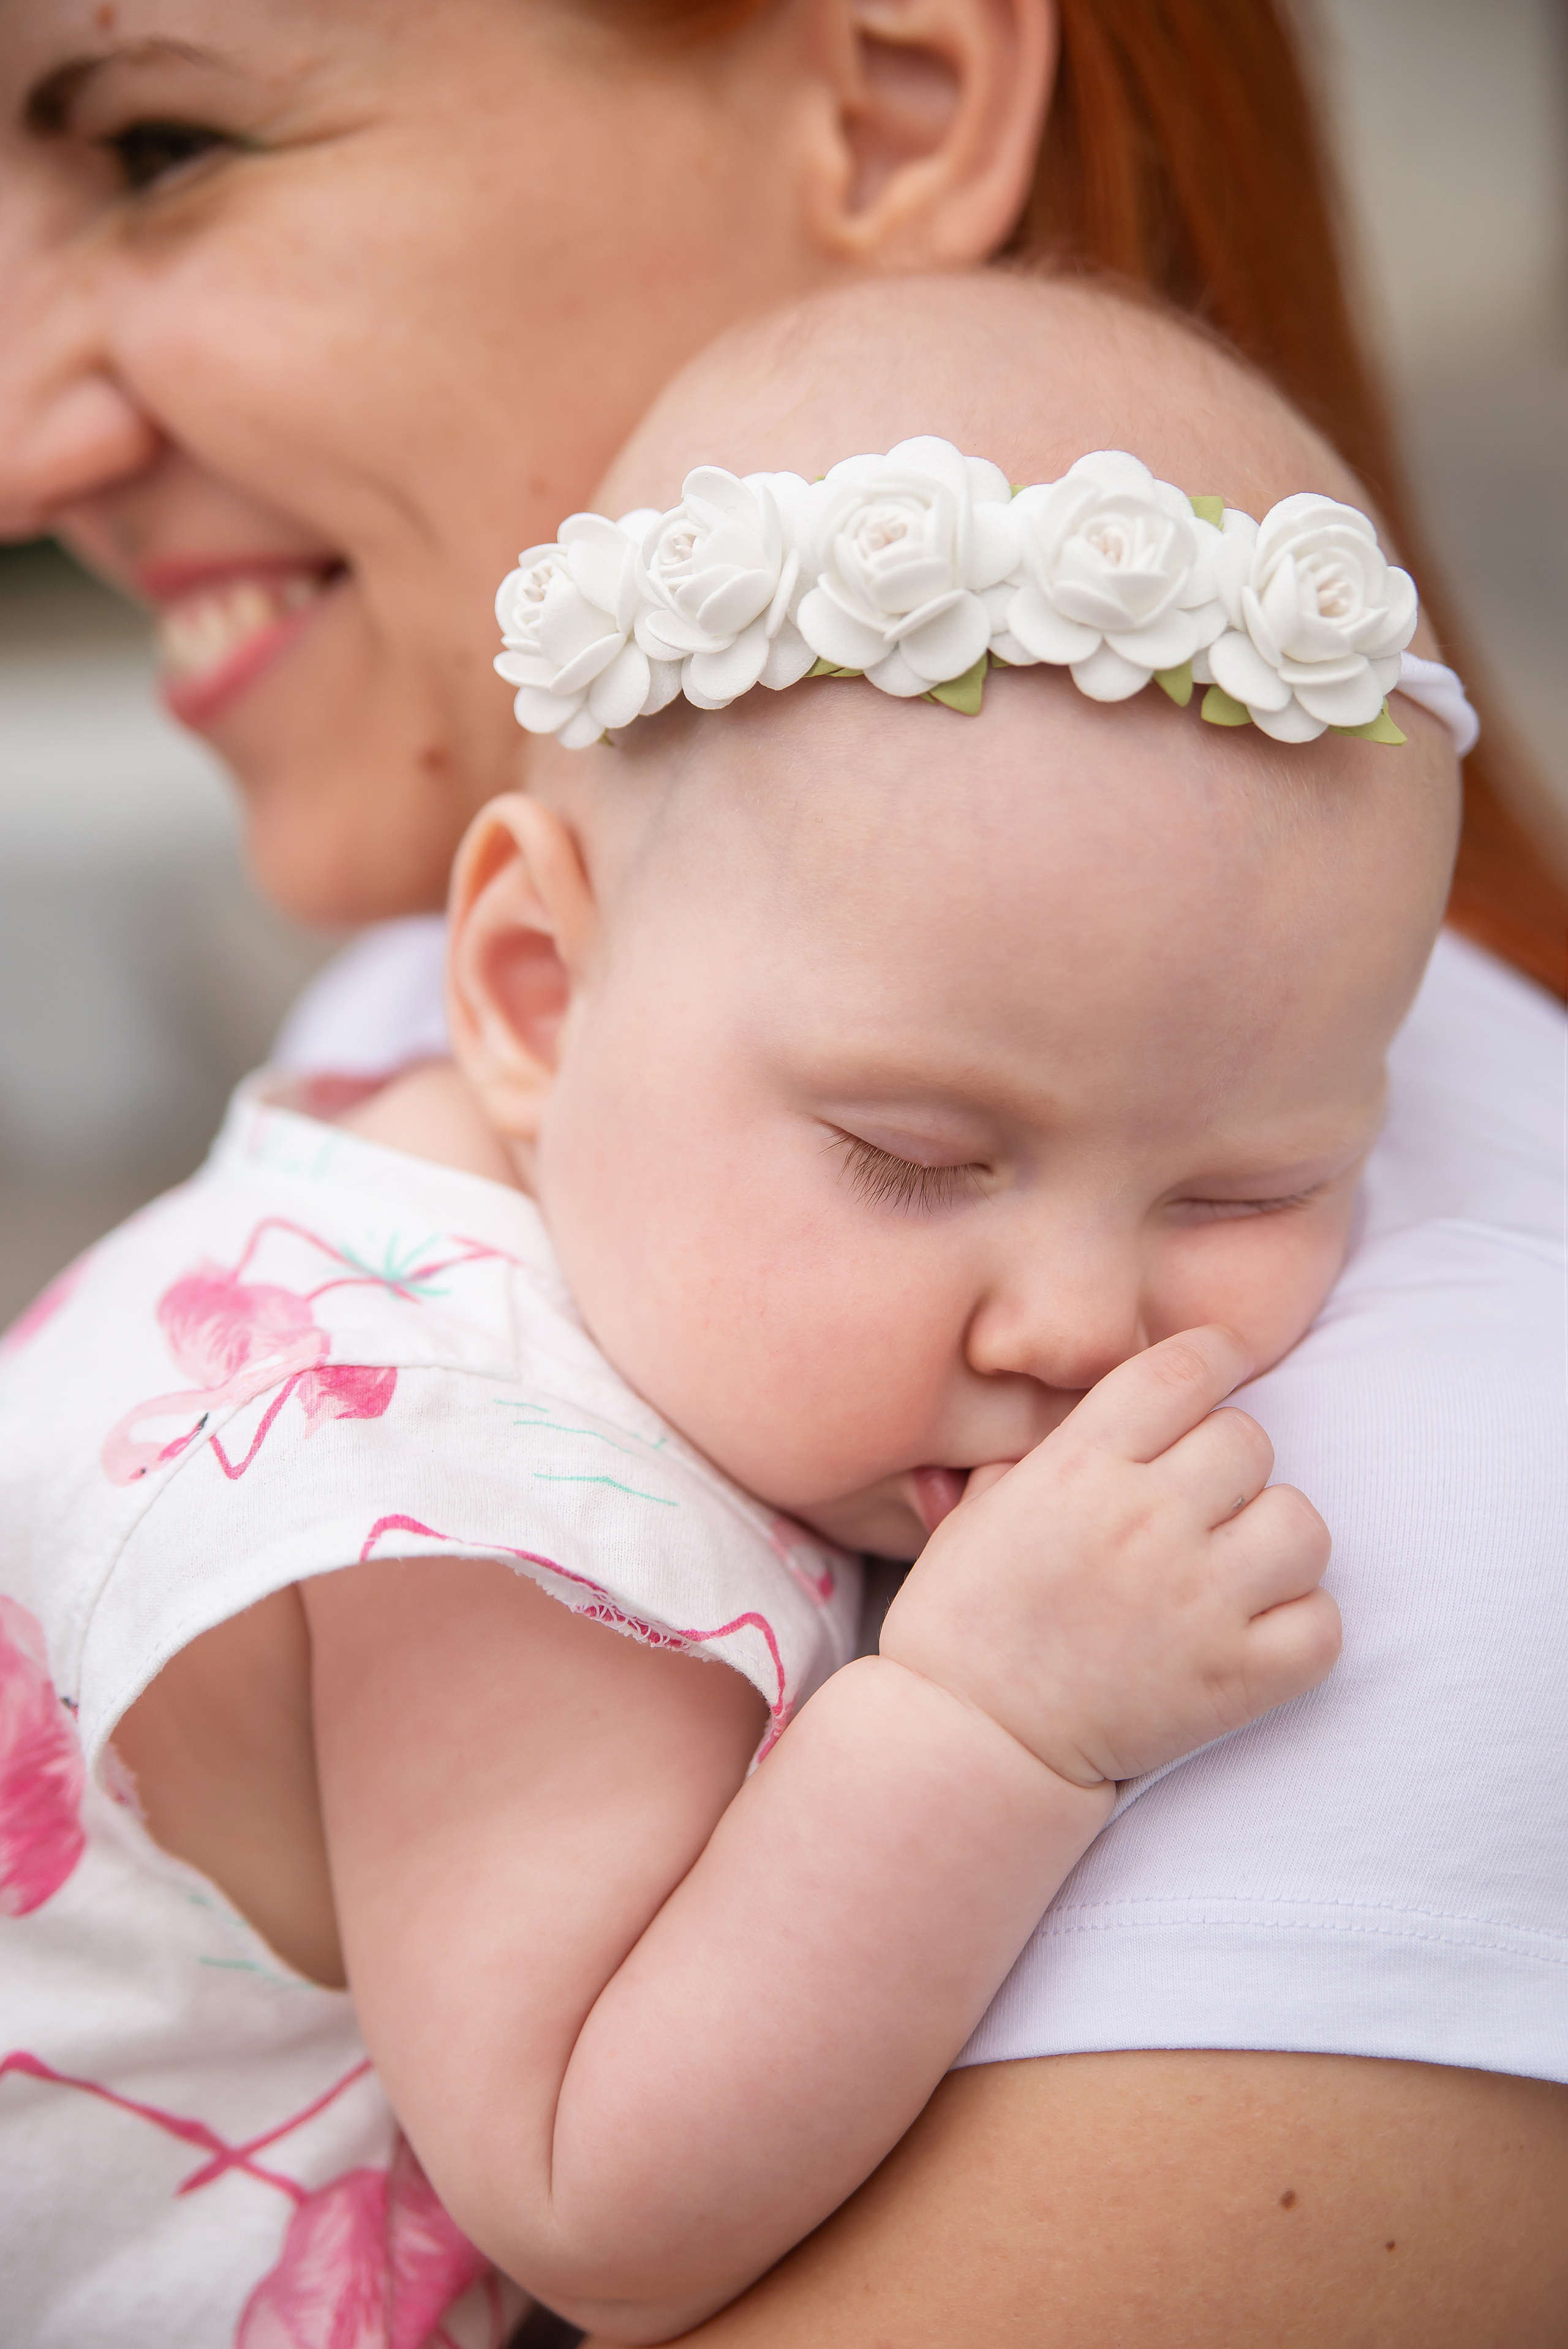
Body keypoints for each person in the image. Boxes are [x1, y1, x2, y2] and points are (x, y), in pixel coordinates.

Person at [0, 5, 1563, 2340]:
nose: (1074, 1318)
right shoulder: (488, 1508)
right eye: (916, 1156)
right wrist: (990, 1730)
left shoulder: (621, 1106)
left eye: (1247, 1187)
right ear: (529, 990)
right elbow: (591, 2180)